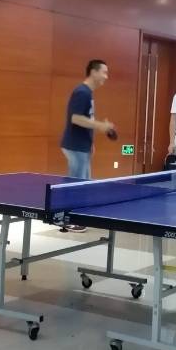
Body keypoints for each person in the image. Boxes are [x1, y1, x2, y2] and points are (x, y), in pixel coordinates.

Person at [60, 59, 115, 233]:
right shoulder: (82, 92)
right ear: (93, 72)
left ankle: (74, 216)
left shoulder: (88, 93)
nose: (106, 76)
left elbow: (85, 119)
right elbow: (75, 118)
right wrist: (101, 126)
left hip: (82, 145)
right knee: (76, 184)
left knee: (82, 183)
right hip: (75, 145)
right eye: (104, 72)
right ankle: (68, 219)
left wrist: (91, 142)